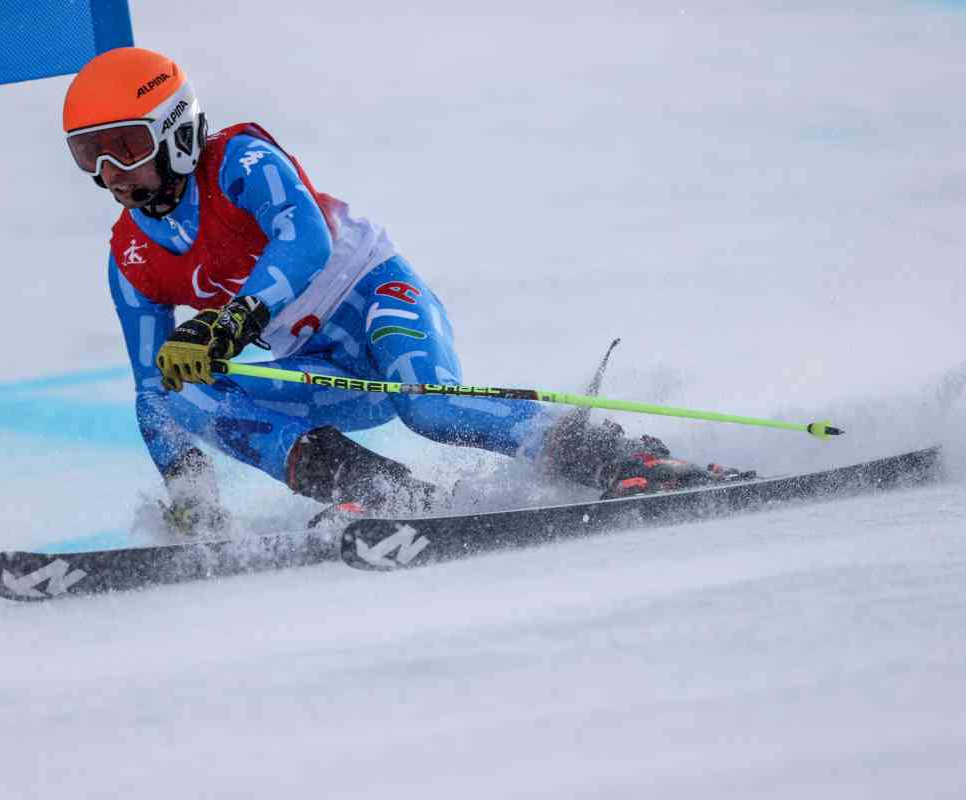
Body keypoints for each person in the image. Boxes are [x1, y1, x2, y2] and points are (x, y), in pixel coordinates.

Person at [61, 47, 748, 533]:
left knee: (429, 407)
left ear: (177, 132)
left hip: (377, 301)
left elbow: (305, 241)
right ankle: (381, 490)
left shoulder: (240, 160)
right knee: (178, 391)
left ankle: (621, 457)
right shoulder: (129, 256)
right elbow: (153, 394)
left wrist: (233, 320)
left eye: (127, 146)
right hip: (322, 370)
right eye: (91, 154)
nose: (112, 173)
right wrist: (190, 494)